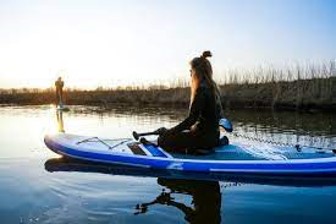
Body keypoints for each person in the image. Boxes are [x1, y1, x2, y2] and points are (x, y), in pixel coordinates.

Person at [158, 51, 224, 154]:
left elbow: (191, 120)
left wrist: (169, 133)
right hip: (214, 137)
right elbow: (215, 118)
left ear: (196, 71)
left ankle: (197, 150)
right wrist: (172, 131)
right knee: (175, 134)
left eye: (191, 71)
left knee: (162, 141)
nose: (190, 74)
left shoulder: (201, 90)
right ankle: (217, 143)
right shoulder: (214, 89)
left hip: (203, 139)